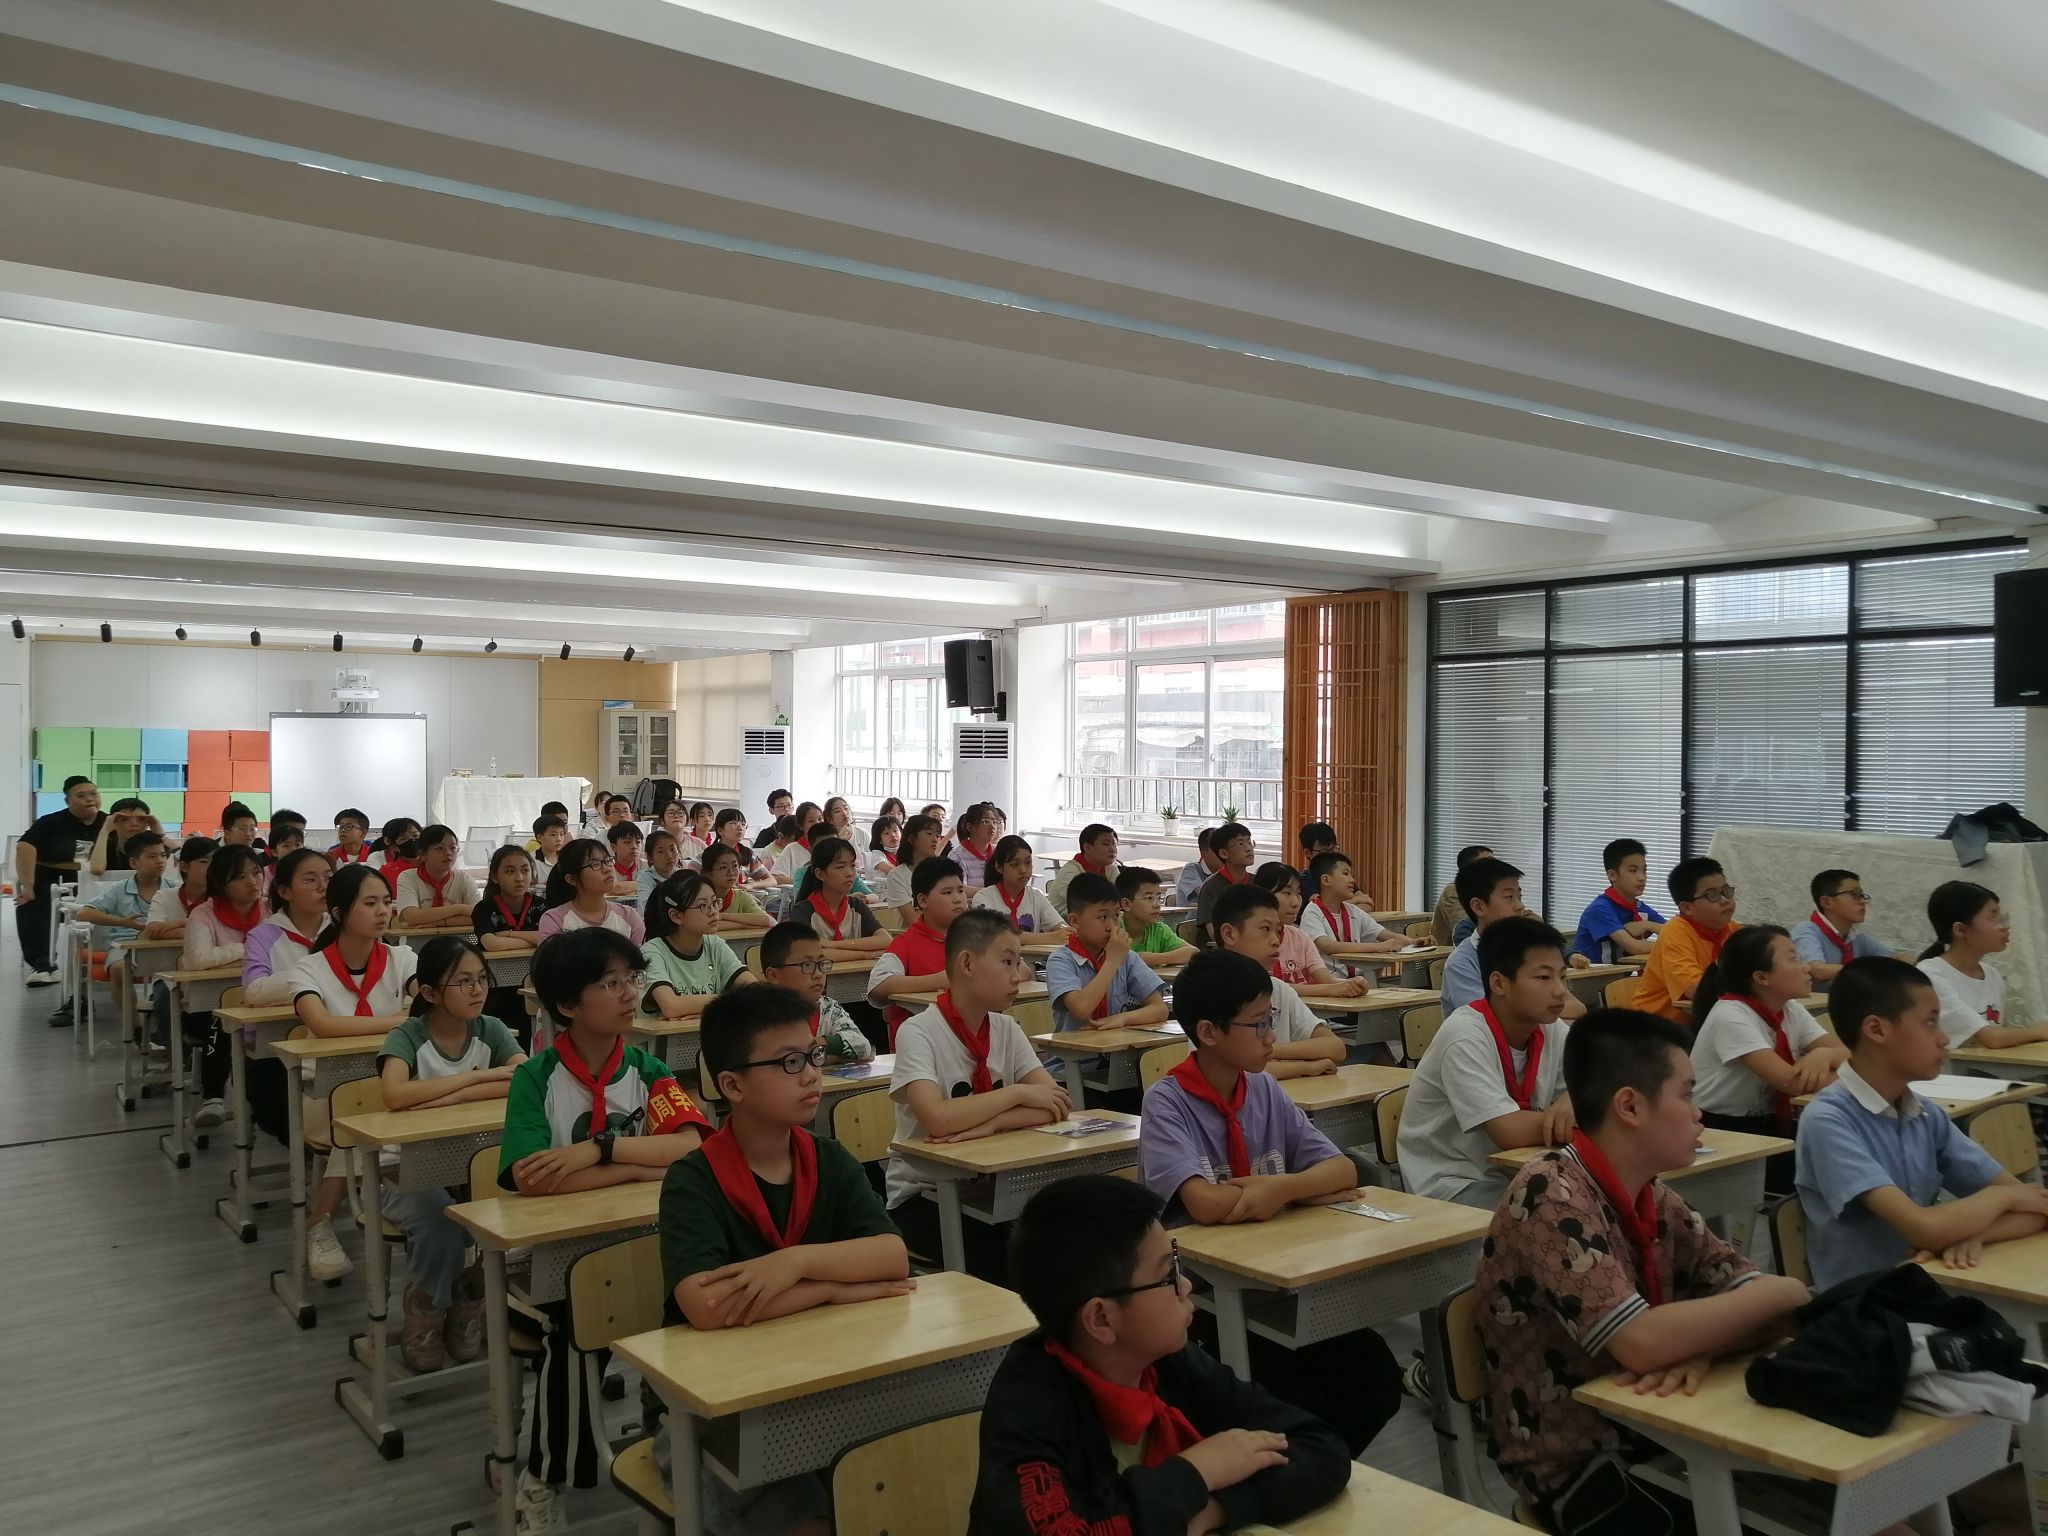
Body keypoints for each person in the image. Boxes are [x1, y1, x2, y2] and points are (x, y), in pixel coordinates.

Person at [1477, 1008, 1809, 1534]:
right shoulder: (1550, 1193)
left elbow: (1756, 1296)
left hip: (1669, 1431)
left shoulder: (1652, 1194)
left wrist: (1704, 1345)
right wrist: (1784, 1291)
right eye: (1687, 1094)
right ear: (1630, 1106)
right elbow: (1642, 1344)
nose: (1700, 1113)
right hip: (1584, 1468)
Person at [968, 1174, 1351, 1536]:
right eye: (1167, 1275)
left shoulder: (1170, 1363)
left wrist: (1214, 1508)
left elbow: (1320, 1447)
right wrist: (1197, 1470)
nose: (1185, 1285)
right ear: (1101, 1318)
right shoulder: (1028, 1404)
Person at [661, 985, 910, 1535]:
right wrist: (832, 1289)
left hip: (825, 1381)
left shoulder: (827, 1159)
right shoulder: (694, 1179)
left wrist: (795, 1264)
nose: (811, 1075)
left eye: (813, 1056)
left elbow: (891, 1255)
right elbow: (707, 1305)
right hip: (718, 1410)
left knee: (906, 1481)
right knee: (809, 1523)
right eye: (788, 1063)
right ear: (732, 1085)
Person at [1138, 949, 1403, 1455]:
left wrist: (1278, 1190)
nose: (1271, 1037)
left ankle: (1310, 1467)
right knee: (1287, 1396)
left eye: (1271, 1020)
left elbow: (1343, 1170)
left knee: (1373, 1374)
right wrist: (1303, 1189)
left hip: (1279, 1275)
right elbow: (1203, 1204)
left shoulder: (1263, 1089)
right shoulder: (1167, 1102)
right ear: (1209, 1032)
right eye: (1258, 1024)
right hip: (1204, 1295)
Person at [499, 927, 709, 1527]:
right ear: (568, 1004)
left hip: (642, 1245)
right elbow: (532, 1177)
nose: (628, 993)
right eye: (609, 983)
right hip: (550, 1260)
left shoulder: (648, 1068)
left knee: (694, 1309)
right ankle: (545, 1477)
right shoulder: (535, 1078)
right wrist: (641, 1165)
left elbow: (691, 1148)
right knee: (576, 1322)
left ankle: (671, 1445)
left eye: (630, 979)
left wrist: (600, 1152)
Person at [1797, 956, 2048, 1294]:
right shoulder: (1828, 1121)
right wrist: (2002, 1197)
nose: (1944, 1039)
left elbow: (2037, 1206)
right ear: (1877, 1030)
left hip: (1929, 1283)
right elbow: (1925, 1229)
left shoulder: (1924, 1114)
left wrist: (1977, 1233)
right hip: (1865, 1306)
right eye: (1930, 1023)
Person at [887, 909, 1069, 1274]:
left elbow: (1056, 1103)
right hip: (925, 1195)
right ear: (967, 963)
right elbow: (937, 1119)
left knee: (1069, 1239)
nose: (1018, 975)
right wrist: (1016, 1094)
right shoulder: (918, 1032)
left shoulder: (1006, 1029)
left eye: (1018, 962)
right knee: (1018, 1261)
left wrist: (994, 1123)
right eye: (1007, 962)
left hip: (998, 1187)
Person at [377, 937, 525, 1373]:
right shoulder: (408, 1036)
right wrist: (477, 1080)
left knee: (518, 1211)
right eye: (463, 982)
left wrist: (449, 1095)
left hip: (474, 1167)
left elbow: (523, 1078)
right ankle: (426, 1305)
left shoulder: (491, 1029)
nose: (477, 990)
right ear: (430, 992)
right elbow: (394, 1094)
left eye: (482, 979)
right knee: (441, 1220)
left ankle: (469, 1294)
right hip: (405, 1172)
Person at [285, 864, 422, 1283]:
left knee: (380, 1109)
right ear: (339, 913)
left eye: (387, 902)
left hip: (391, 1085)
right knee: (363, 1113)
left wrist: (405, 1019)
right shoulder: (309, 969)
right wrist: (397, 1022)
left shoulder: (403, 959)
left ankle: (321, 1220)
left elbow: (427, 1007)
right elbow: (322, 1025)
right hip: (324, 1093)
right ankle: (326, 1221)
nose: (383, 911)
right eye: (370, 903)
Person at [1399, 916, 1575, 1208]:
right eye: (1544, 978)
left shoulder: (1550, 1028)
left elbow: (1599, 1086)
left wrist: (1574, 1101)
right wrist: (1581, 1114)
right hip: (1455, 1182)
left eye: (1562, 976)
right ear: (1499, 983)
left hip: (1520, 1170)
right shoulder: (1464, 1035)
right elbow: (1510, 1131)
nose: (1561, 991)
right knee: (1556, 1212)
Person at [1690, 924, 1841, 1194]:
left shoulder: (1789, 1008)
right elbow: (1792, 1083)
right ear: (1762, 977)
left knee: (1843, 1152)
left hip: (1772, 1122)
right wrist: (1845, 1068)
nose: (1806, 968)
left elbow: (1850, 1055)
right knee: (1825, 1174)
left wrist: (1826, 1054)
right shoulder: (1731, 1016)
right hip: (1724, 1129)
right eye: (1794, 959)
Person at [1210, 885, 1350, 1078]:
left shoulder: (1278, 988)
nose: (1276, 940)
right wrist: (1306, 1067)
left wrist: (1268, 1051)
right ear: (1229, 934)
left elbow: (1335, 1048)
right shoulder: (1211, 991)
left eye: (1277, 931)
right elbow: (1232, 1070)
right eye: (1265, 929)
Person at [1441, 856, 1589, 1018]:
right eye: (1509, 897)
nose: (1520, 906)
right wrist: (1541, 1009)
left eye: (1520, 896)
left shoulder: (1530, 951)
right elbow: (1489, 1016)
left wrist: (1527, 1009)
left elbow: (1577, 1008)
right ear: (1479, 906)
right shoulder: (1462, 963)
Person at [1916, 880, 2047, 1050]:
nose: (2005, 926)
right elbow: (1992, 1039)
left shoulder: (1992, 974)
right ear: (1960, 930)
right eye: (1993, 917)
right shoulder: (1931, 974)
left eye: (2002, 917)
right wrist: (2039, 1031)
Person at [1047, 873, 1170, 1035]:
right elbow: (1081, 1009)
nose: (1112, 926)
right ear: (1075, 921)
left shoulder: (1126, 957)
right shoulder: (1060, 960)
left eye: (1116, 915)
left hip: (1116, 1047)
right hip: (1074, 1050)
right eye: (1103, 917)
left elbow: (1160, 1009)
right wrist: (1112, 961)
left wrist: (1122, 1019)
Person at [866, 856, 971, 1041]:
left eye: (960, 890)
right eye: (947, 892)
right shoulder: (905, 943)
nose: (958, 899)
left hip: (969, 1035)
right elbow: (878, 986)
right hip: (920, 1041)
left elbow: (1022, 971)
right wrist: (942, 979)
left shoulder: (976, 938)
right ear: (923, 900)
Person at [74, 829, 168, 1035]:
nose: (160, 861)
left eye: (163, 855)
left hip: (166, 946)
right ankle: (134, 1027)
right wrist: (122, 922)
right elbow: (84, 913)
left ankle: (174, 1026)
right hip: (126, 946)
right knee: (119, 969)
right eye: (152, 856)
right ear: (134, 863)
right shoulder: (119, 889)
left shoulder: (175, 888)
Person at [15, 774, 105, 985]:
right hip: (51, 879)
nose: (90, 799)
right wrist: (28, 886)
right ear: (68, 800)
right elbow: (25, 847)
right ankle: (43, 965)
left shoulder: (108, 822)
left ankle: (108, 959)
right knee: (30, 905)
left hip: (94, 879)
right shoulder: (50, 822)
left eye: (93, 794)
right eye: (81, 795)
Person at [1630, 856, 1739, 1025]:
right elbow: (1696, 990)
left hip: (1698, 1024)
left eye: (1726, 891)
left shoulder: (1732, 929)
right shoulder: (1676, 932)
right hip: (1653, 1029)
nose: (1725, 900)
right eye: (1713, 895)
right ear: (1687, 908)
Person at [640, 870, 750, 1029]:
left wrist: (709, 1008)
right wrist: (724, 1004)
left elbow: (756, 992)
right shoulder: (652, 952)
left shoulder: (715, 945)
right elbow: (671, 1006)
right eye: (703, 906)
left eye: (714, 902)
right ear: (676, 916)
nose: (714, 911)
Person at [756, 922, 873, 1062]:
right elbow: (783, 1059)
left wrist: (818, 1044)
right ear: (773, 975)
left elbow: (863, 1046)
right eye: (807, 965)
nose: (818, 974)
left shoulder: (828, 1008)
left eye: (821, 964)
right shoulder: (760, 1016)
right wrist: (836, 1056)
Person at [242, 848, 333, 1005]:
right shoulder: (263, 935)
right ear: (285, 892)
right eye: (310, 880)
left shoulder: (344, 928)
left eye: (329, 877)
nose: (323, 886)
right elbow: (254, 991)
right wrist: (318, 973)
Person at [471, 845, 543, 1042]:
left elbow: (549, 937)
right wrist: (532, 939)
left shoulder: (541, 905)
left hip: (534, 979)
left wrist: (509, 934)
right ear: (495, 877)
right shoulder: (485, 908)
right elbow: (491, 944)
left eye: (525, 870)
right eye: (510, 872)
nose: (519, 878)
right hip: (495, 986)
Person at [1297, 852, 1409, 976]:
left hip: (1356, 980)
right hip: (1328, 982)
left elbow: (1385, 934)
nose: (1352, 880)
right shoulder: (1312, 912)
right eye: (1345, 874)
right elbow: (1327, 946)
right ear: (1326, 880)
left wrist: (1414, 942)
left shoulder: (1353, 911)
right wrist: (1378, 947)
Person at [1789, 869, 1895, 991]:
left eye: (1862, 895)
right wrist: (1868, 970)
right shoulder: (1807, 931)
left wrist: (1915, 963)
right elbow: (1818, 970)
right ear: (1827, 902)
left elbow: (1894, 957)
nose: (1862, 901)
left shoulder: (1856, 935)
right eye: (1854, 894)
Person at [1567, 838, 1666, 964]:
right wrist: (1672, 945)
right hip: (1597, 976)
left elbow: (1677, 933)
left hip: (1625, 974)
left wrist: (1648, 925)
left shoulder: (1639, 907)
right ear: (1612, 875)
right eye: (1633, 871)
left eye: (1644, 870)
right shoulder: (1599, 909)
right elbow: (1635, 948)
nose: (1642, 877)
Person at [791, 836, 888, 957]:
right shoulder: (803, 910)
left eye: (852, 865)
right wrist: (864, 954)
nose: (850, 873)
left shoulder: (856, 906)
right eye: (840, 867)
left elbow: (885, 940)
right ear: (820, 874)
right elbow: (810, 953)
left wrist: (833, 945)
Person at [537, 837, 644, 946]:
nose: (608, 869)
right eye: (595, 864)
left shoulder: (629, 917)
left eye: (608, 860)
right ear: (572, 879)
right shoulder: (555, 920)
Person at [971, 835, 1068, 936]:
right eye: (1015, 864)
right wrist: (1051, 937)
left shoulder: (1036, 896)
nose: (1023, 870)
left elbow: (1062, 928)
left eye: (1028, 862)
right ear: (999, 867)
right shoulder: (984, 897)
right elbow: (999, 936)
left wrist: (1063, 932)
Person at [392, 824, 478, 929]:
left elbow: (482, 916)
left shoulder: (463, 878)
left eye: (453, 848)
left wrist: (440, 923)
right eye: (439, 848)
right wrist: (460, 909)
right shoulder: (408, 877)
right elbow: (412, 917)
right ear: (423, 854)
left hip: (459, 938)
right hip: (417, 938)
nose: (448, 853)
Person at [1116, 866, 1198, 969]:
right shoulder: (1114, 930)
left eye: (1159, 898)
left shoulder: (1158, 930)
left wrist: (1154, 958)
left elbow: (1194, 953)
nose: (1157, 905)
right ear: (1126, 904)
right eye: (1149, 898)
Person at [142, 835, 215, 939]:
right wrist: (187, 922)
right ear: (184, 866)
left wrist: (170, 928)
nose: (212, 868)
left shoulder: (222, 898)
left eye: (216, 862)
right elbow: (153, 931)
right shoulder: (164, 897)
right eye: (204, 862)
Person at [876, 814, 944, 920]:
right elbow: (912, 919)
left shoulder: (942, 871)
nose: (935, 839)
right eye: (929, 833)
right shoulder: (897, 876)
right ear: (911, 838)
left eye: (937, 835)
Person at [1046, 823, 1121, 914]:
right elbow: (1086, 904)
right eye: (1106, 844)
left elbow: (1120, 896)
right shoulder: (1071, 871)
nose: (1112, 849)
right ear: (1087, 847)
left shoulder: (1110, 868)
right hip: (1064, 921)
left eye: (1114, 845)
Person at [701, 841, 773, 932]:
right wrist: (746, 924)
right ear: (707, 873)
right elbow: (702, 926)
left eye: (735, 866)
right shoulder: (699, 898)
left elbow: (770, 922)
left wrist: (723, 916)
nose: (731, 872)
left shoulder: (741, 896)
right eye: (723, 867)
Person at [1430, 843, 1492, 946]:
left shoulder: (1489, 890)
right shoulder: (1452, 891)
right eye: (1489, 864)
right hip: (1450, 951)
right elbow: (1465, 930)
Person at [88, 796, 160, 875]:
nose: (134, 824)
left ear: (147, 823)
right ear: (114, 822)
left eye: (141, 819)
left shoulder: (152, 843)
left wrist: (155, 826)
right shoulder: (105, 844)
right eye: (125, 819)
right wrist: (104, 830)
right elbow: (97, 870)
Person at [769, 801, 825, 887]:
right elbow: (776, 877)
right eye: (811, 821)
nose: (817, 823)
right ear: (801, 826)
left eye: (820, 819)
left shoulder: (832, 846)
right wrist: (801, 883)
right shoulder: (792, 848)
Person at [950, 803, 1000, 889]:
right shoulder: (957, 856)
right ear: (970, 827)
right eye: (986, 821)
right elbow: (960, 889)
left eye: (994, 822)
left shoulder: (998, 852)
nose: (992, 826)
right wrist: (992, 894)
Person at [636, 827, 682, 908]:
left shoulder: (682, 875)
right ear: (650, 858)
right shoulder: (645, 878)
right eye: (661, 852)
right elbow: (647, 906)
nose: (669, 856)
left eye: (672, 849)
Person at [604, 821, 645, 908]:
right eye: (627, 842)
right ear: (613, 847)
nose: (634, 846)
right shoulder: (605, 867)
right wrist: (646, 884)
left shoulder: (646, 865)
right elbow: (613, 887)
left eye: (638, 842)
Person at [1175, 827, 1219, 906]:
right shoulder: (1191, 869)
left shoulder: (1226, 872)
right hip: (1193, 915)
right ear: (1203, 853)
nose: (1222, 853)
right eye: (1216, 850)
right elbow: (1205, 894)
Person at [528, 813, 570, 884]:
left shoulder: (567, 858)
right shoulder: (531, 860)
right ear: (539, 837)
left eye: (561, 834)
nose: (559, 839)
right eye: (553, 835)